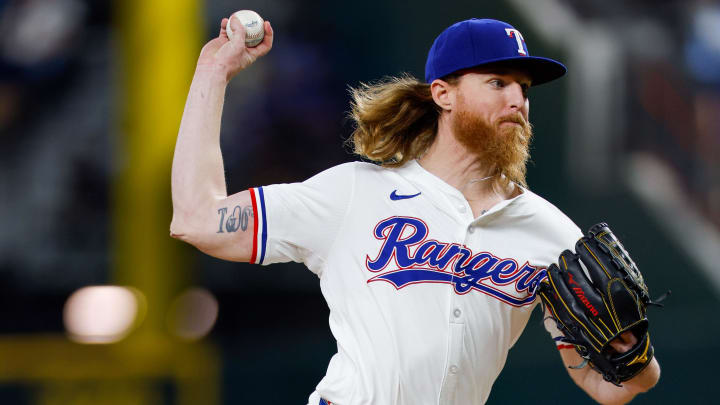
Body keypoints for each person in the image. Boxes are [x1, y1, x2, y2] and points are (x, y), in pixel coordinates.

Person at [170, 16, 660, 405]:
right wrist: (214, 72)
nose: (518, 100)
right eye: (497, 82)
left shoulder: (550, 233)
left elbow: (608, 388)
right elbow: (197, 220)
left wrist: (632, 351)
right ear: (442, 94)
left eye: (525, 89)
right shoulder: (354, 194)